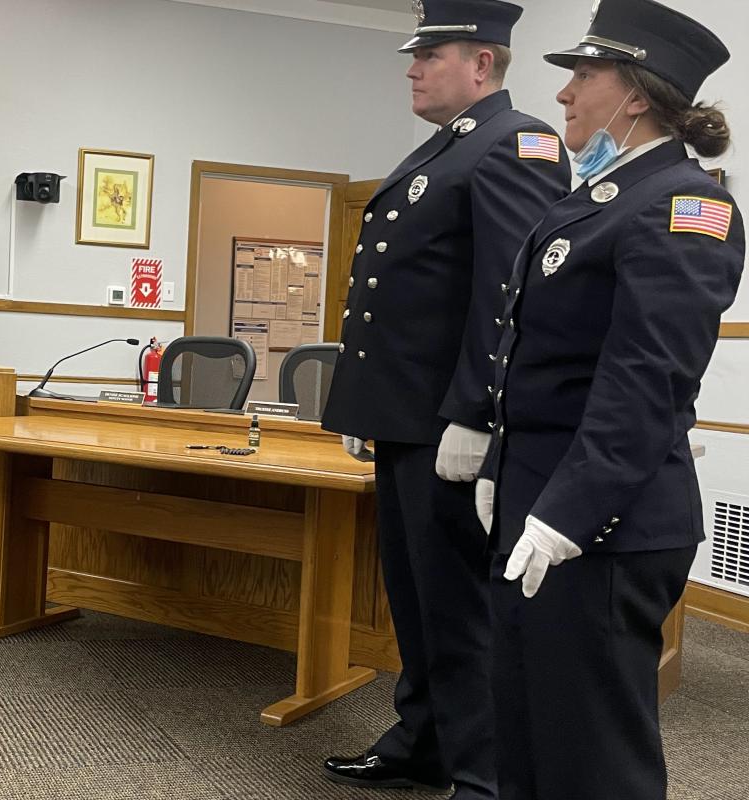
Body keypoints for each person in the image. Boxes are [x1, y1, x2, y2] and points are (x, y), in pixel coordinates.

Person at [474, 0, 745, 797]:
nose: (562, 94)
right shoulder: (596, 199)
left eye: (583, 76)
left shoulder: (686, 207)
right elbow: (535, 359)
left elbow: (646, 383)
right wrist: (502, 465)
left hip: (602, 525)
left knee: (592, 750)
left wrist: (566, 515)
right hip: (540, 498)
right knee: (524, 727)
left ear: (634, 95)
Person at [320, 1, 570, 797]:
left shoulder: (519, 145)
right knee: (416, 599)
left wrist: (476, 412)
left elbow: (507, 295)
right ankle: (421, 739)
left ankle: (480, 774)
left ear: (483, 64)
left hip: (449, 426)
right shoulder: (451, 148)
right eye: (415, 54)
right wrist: (369, 410)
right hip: (405, 420)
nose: (412, 67)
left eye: (431, 53)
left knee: (458, 609)